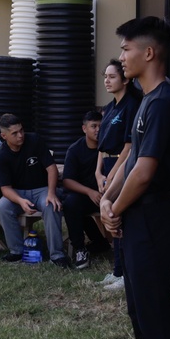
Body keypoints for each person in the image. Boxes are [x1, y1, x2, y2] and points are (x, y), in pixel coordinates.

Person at [98, 16, 170, 339]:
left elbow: (147, 171)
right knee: (138, 308)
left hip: (153, 218)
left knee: (156, 313)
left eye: (127, 49)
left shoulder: (166, 102)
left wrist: (114, 204)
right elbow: (130, 160)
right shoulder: (146, 100)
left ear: (148, 53)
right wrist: (106, 199)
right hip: (135, 216)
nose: (121, 57)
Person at [0, 114, 69, 267]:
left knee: (51, 205)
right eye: (14, 133)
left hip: (43, 189)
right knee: (2, 207)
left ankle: (57, 255)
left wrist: (52, 193)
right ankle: (17, 251)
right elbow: (5, 189)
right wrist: (20, 201)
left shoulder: (34, 140)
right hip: (17, 192)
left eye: (21, 130)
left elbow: (52, 169)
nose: (20, 135)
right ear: (4, 136)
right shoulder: (1, 155)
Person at [95, 59, 142, 291]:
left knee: (119, 217)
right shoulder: (109, 107)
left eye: (112, 76)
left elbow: (128, 146)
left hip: (121, 166)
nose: (107, 80)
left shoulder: (132, 105)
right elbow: (101, 145)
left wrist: (113, 174)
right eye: (106, 76)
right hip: (106, 164)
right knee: (110, 215)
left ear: (125, 79)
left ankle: (124, 273)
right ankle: (116, 270)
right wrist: (98, 171)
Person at [62, 111, 108, 269]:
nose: (98, 130)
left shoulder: (110, 147)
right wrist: (90, 192)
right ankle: (80, 249)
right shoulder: (75, 150)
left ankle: (107, 244)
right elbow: (67, 181)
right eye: (93, 126)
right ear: (84, 129)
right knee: (71, 203)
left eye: (101, 126)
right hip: (85, 196)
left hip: (109, 194)